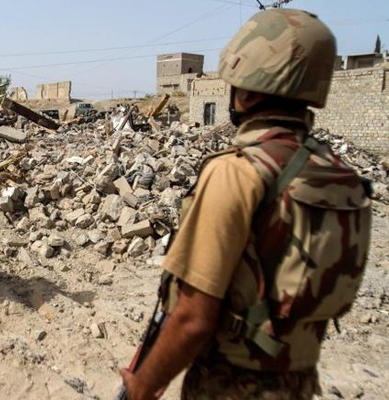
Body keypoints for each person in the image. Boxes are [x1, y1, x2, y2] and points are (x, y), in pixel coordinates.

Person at [119, 9, 372, 400]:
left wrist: (142, 386)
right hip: (300, 382)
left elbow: (192, 320)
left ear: (249, 89)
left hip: (229, 384)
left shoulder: (237, 173)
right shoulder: (342, 177)